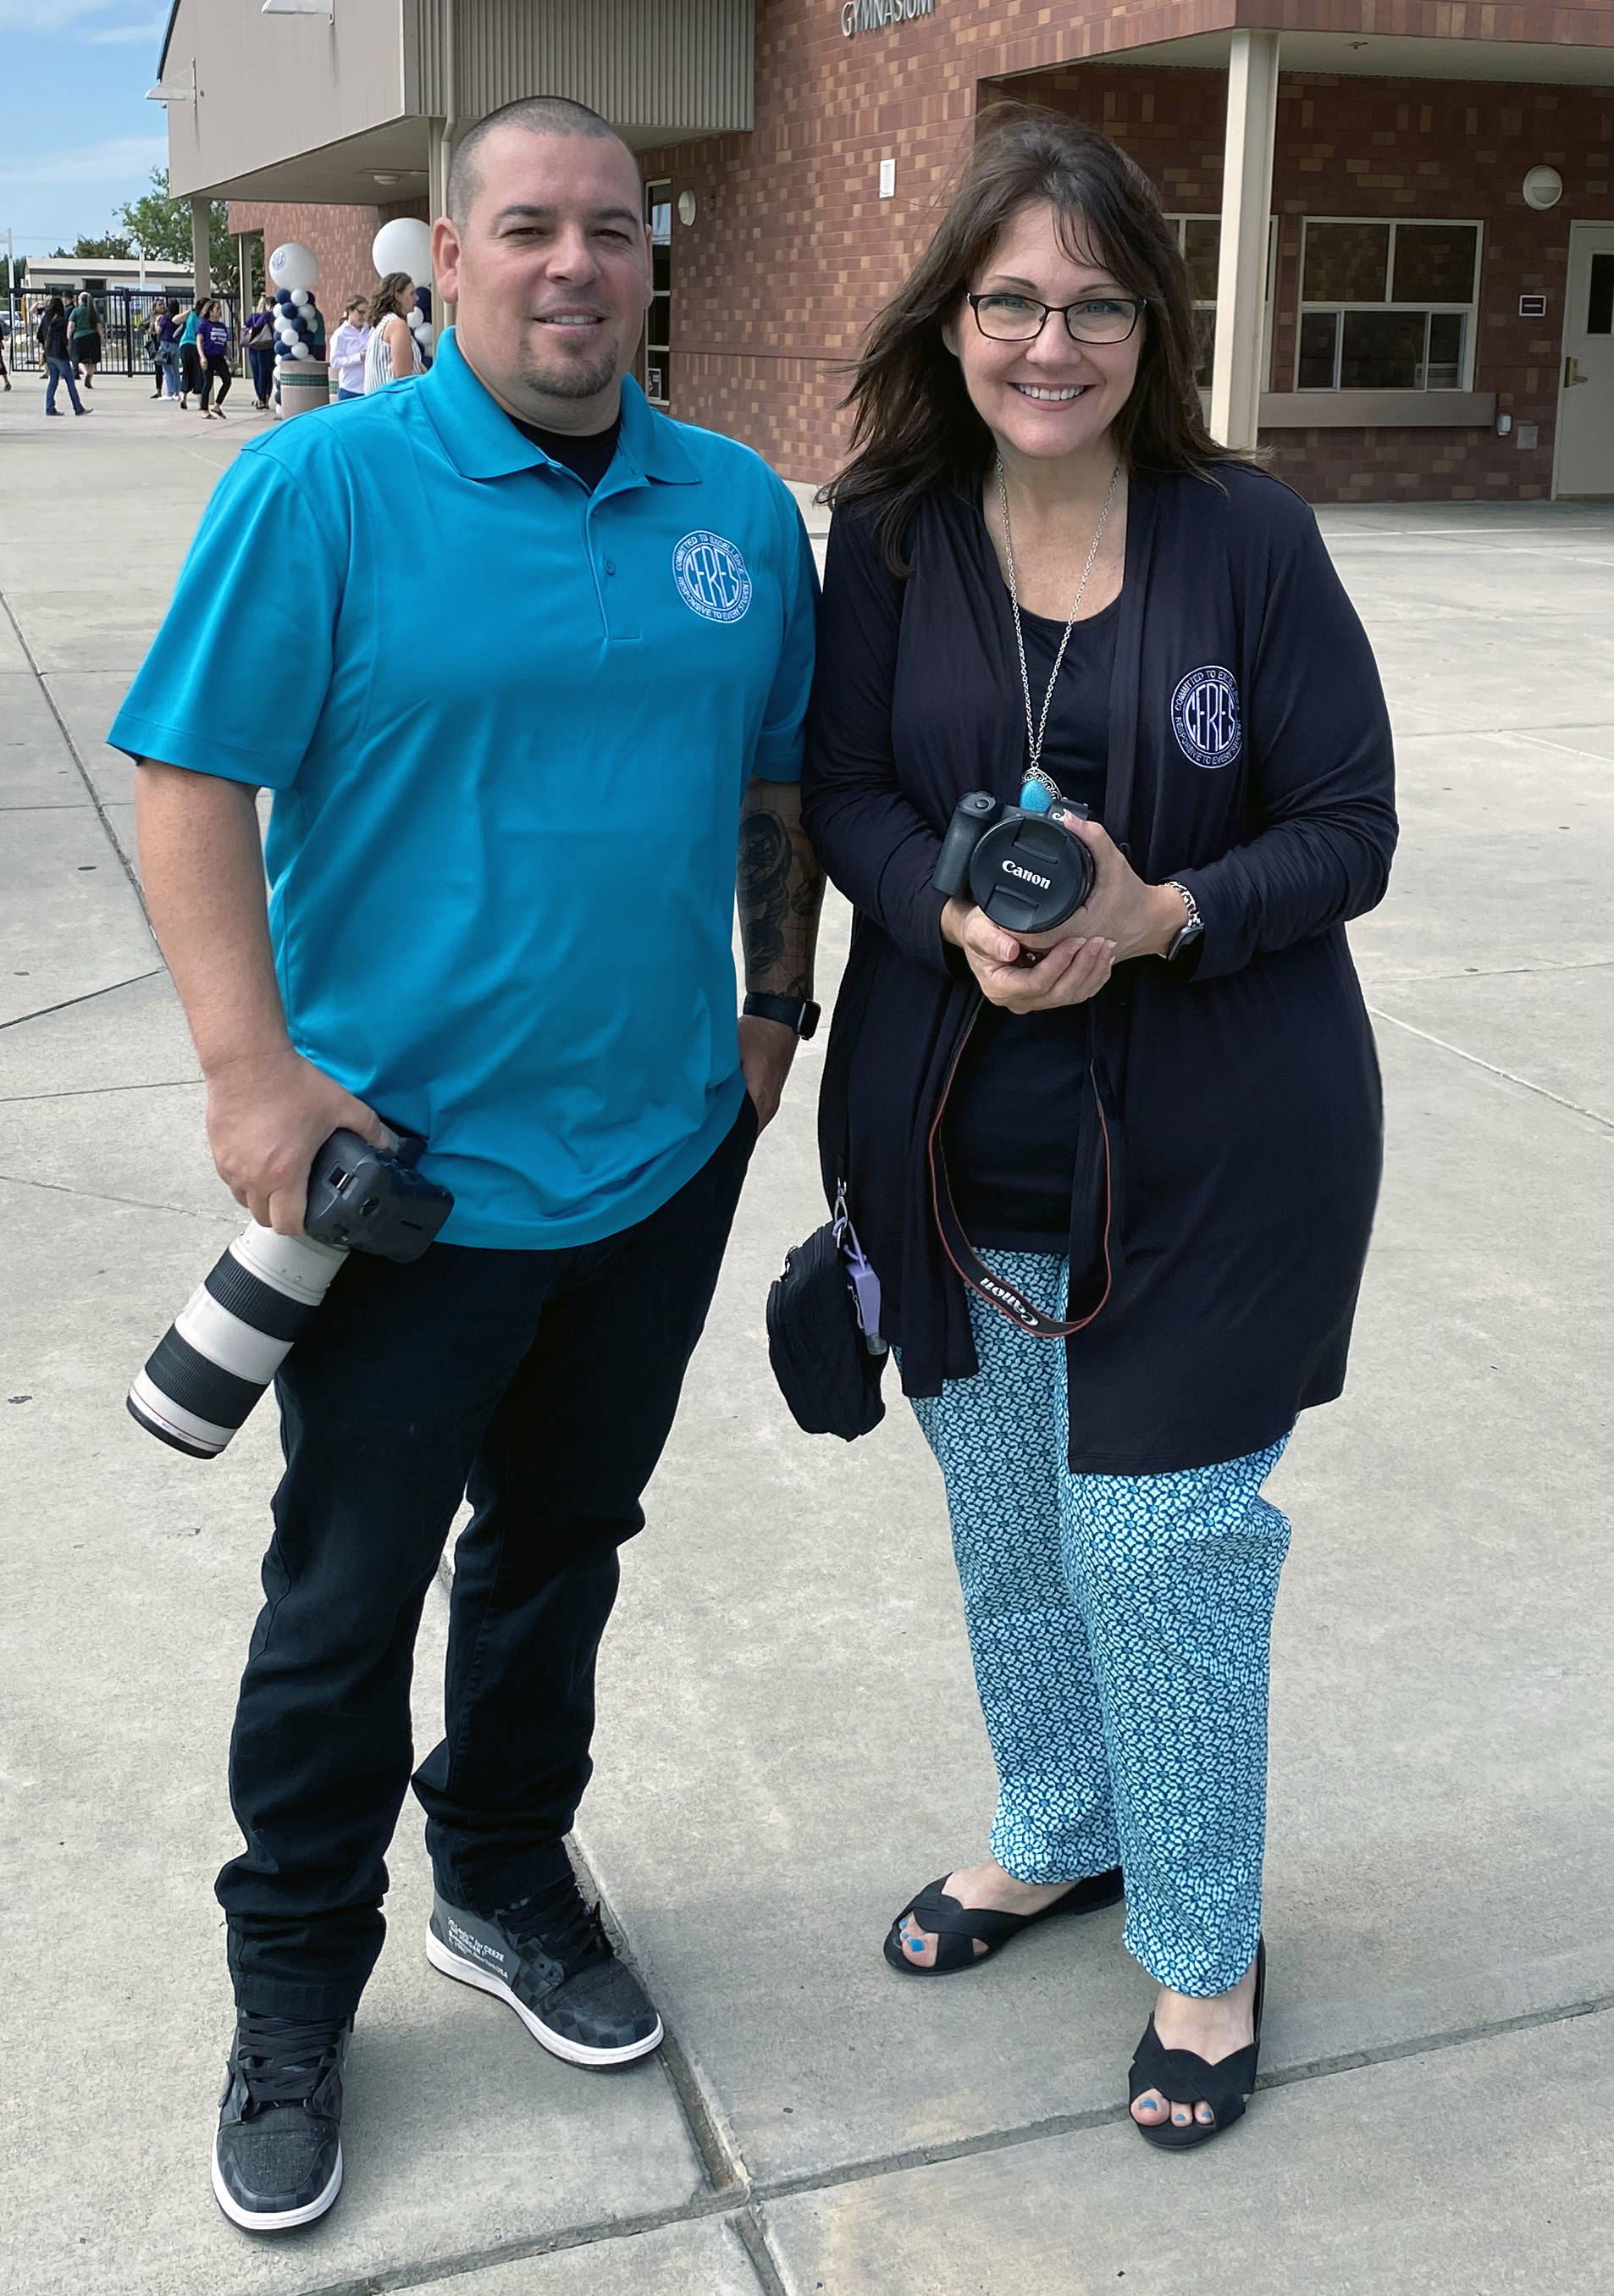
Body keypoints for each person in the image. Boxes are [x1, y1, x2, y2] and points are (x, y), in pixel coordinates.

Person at [109, 93, 821, 2235]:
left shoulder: (727, 509)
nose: (573, 266)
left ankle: (502, 1875)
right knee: (344, 1599)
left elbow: (772, 776)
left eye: (610, 229)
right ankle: (295, 1980)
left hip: (661, 1156)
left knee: (564, 1545)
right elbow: (187, 783)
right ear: (446, 253)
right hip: (403, 1187)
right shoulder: (320, 484)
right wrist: (251, 1078)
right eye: (527, 229)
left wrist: (772, 1009)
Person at [802, 106, 1397, 2151]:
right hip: (955, 1140)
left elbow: (1349, 828)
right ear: (951, 320)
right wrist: (939, 912)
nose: (1048, 344)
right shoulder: (884, 531)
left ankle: (1205, 1940)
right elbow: (848, 793)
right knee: (1009, 1533)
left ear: (1150, 319)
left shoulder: (1251, 537)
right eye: (1008, 303)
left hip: (1227, 1142)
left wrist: (1164, 915)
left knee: (1156, 1542)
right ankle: (1056, 1826)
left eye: (1091, 304)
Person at [362, 273, 415, 392]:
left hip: (376, 400)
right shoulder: (397, 325)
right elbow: (403, 378)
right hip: (392, 403)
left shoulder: (379, 324)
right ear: (398, 296)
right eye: (412, 293)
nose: (416, 298)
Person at [37, 295, 89, 416]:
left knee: (53, 381)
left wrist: (46, 344)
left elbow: (39, 335)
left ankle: (49, 407)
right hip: (60, 354)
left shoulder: (45, 319)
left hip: (49, 354)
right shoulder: (61, 321)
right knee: (70, 381)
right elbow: (64, 339)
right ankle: (78, 408)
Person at [327, 295, 370, 400]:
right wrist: (358, 357)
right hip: (350, 388)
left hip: (369, 387)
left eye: (366, 313)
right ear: (350, 310)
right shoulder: (340, 334)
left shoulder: (369, 330)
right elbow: (335, 362)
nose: (363, 316)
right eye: (361, 312)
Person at [196, 297, 232, 418]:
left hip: (219, 357)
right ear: (210, 312)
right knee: (208, 383)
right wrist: (202, 357)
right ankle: (205, 410)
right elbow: (199, 342)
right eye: (217, 309)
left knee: (227, 380)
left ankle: (217, 406)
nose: (220, 311)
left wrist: (230, 358)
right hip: (208, 356)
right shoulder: (204, 325)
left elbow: (224, 344)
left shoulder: (222, 326)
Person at [244, 295, 276, 410]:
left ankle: (260, 398)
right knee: (266, 373)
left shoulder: (253, 317)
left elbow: (249, 328)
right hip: (268, 347)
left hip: (254, 348)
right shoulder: (272, 316)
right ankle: (265, 398)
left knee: (258, 374)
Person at [69, 290, 101, 387]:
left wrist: (68, 337)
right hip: (93, 337)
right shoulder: (93, 312)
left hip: (79, 337)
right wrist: (103, 339)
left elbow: (71, 326)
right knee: (93, 361)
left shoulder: (76, 311)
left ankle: (85, 372)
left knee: (79, 360)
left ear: (80, 300)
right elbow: (99, 326)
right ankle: (90, 377)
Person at [178, 299, 203, 407]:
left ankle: (183, 397)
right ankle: (200, 401)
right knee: (198, 373)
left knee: (187, 371)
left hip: (184, 344)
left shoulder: (191, 313)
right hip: (196, 345)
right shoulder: (205, 318)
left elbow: (175, 320)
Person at [156, 300, 182, 398]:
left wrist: (157, 323)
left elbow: (158, 331)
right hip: (176, 344)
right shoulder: (178, 319)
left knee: (167, 369)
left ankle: (170, 392)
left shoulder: (165, 318)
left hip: (166, 344)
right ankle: (178, 392)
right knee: (176, 369)